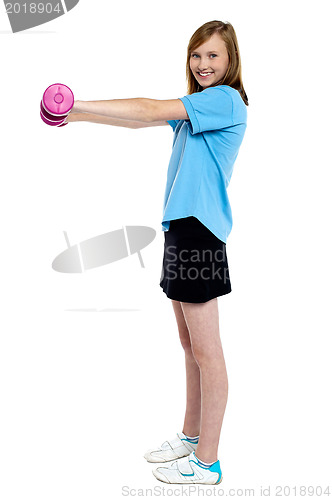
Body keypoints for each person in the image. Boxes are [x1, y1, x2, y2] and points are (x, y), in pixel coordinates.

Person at [66, 19, 248, 485]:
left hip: (200, 232)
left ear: (230, 61)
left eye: (213, 55)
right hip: (179, 229)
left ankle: (207, 463)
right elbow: (136, 120)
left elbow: (147, 108)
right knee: (189, 345)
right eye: (197, 55)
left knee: (209, 352)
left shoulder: (224, 101)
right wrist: (75, 115)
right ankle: (190, 438)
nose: (203, 63)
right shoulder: (195, 110)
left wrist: (80, 101)